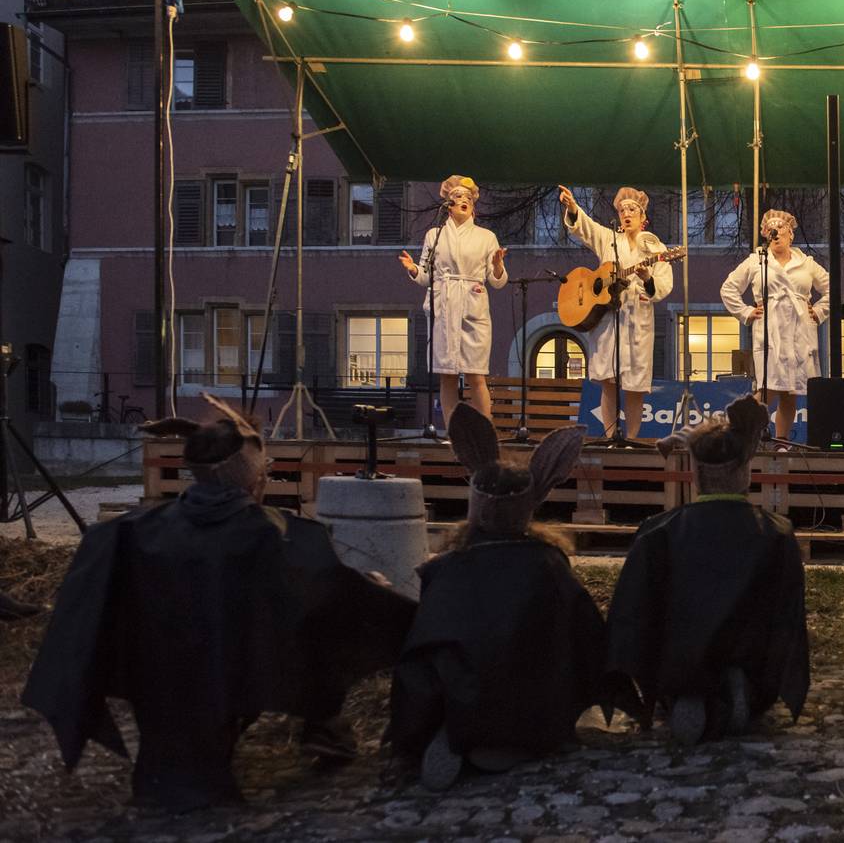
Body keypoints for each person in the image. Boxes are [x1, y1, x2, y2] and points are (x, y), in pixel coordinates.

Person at [22, 395, 415, 811]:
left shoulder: (131, 532)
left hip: (156, 677)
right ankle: (326, 727)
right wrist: (378, 592)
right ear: (253, 477)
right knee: (321, 621)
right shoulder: (271, 535)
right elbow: (326, 600)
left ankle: (321, 727)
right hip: (232, 674)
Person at [390, 408, 604, 790]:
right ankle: (529, 732)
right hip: (531, 698)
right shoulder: (548, 564)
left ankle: (447, 730)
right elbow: (586, 633)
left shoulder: (444, 568)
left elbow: (421, 644)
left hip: (459, 691)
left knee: (430, 659)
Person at [604, 396, 809, 744]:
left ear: (694, 474)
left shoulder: (658, 531)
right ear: (745, 471)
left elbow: (632, 614)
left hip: (677, 655)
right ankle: (744, 685)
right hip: (749, 651)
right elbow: (787, 618)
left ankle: (678, 692)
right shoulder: (777, 533)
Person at [560, 184, 674, 440]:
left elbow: (664, 284)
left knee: (634, 385)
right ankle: (611, 437)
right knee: (608, 381)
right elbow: (586, 228)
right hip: (608, 318)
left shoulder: (657, 248)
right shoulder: (609, 239)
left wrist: (647, 280)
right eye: (623, 210)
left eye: (632, 209)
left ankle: (631, 438)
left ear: (644, 216)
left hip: (637, 318)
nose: (627, 213)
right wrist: (573, 208)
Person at [398, 174, 508, 425]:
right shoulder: (434, 235)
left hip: (473, 304)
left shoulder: (486, 237)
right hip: (445, 305)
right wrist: (413, 268)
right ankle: (452, 432)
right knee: (447, 375)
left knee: (476, 374)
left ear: (474, 205)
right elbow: (426, 276)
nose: (463, 200)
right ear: (448, 203)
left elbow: (497, 281)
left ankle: (485, 431)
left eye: (468, 197)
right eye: (457, 196)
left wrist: (498, 265)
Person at [719, 209, 830, 441]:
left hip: (800, 332)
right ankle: (744, 434)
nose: (776, 231)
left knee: (790, 392)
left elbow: (833, 287)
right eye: (771, 228)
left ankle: (781, 440)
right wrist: (747, 312)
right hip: (770, 329)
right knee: (767, 388)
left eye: (781, 227)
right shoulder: (756, 261)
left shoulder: (806, 263)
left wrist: (818, 311)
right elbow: (728, 289)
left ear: (791, 234)